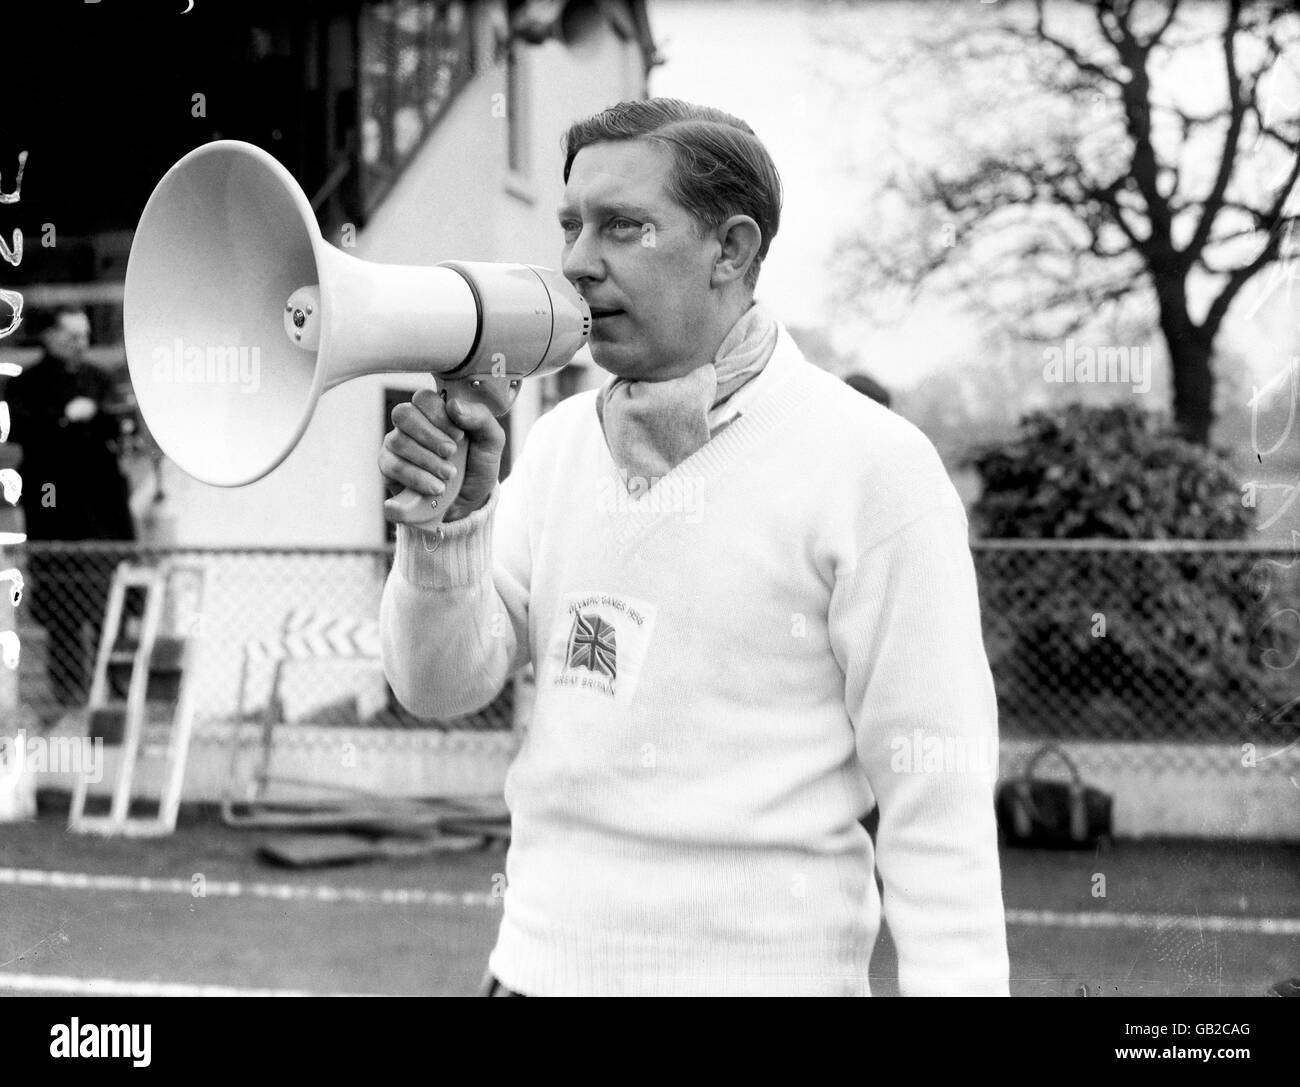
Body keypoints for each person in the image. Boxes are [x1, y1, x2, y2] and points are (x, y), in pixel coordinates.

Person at [379, 98, 1008, 997]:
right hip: (529, 977)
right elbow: (438, 687)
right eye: (571, 225)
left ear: (733, 250)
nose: (577, 261)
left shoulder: (876, 466)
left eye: (623, 226)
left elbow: (934, 799)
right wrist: (446, 531)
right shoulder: (559, 446)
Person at [5, 306, 136, 711]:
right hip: (55, 510)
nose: (81, 343)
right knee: (62, 602)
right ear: (50, 337)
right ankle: (69, 693)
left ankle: (112, 686)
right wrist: (63, 418)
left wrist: (99, 417)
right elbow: (22, 432)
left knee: (108, 600)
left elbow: (117, 425)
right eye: (72, 335)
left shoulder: (98, 379)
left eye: (85, 335)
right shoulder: (26, 385)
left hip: (101, 509)